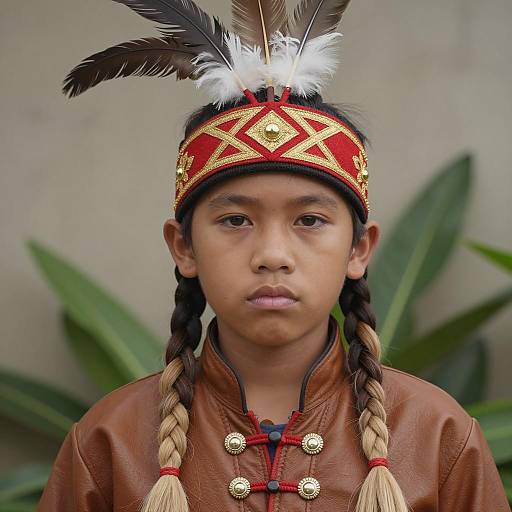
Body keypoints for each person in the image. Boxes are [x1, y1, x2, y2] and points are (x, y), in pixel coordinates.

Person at [38, 0, 510, 511]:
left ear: (359, 249)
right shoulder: (111, 441)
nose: (272, 255)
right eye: (235, 220)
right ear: (184, 246)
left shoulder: (437, 435)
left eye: (309, 220)